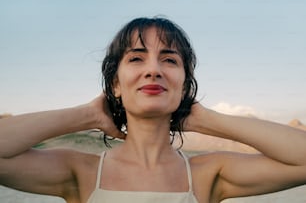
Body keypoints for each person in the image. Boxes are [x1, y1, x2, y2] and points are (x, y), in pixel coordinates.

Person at [0, 17, 306, 203]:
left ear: (184, 86)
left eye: (170, 60)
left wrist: (208, 120)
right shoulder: (82, 171)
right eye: (136, 58)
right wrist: (87, 115)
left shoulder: (210, 173)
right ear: (116, 84)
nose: (153, 70)